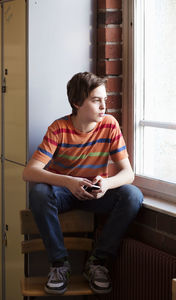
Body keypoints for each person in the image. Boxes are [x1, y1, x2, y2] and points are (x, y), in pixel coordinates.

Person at [22, 72, 143, 295]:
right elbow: (29, 172)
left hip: (95, 194)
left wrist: (106, 184)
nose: (104, 106)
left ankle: (97, 262)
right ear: (77, 103)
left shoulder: (110, 125)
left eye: (105, 100)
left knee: (132, 195)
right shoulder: (58, 128)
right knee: (39, 193)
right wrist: (69, 182)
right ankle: (59, 265)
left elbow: (128, 174)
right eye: (96, 100)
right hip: (63, 194)